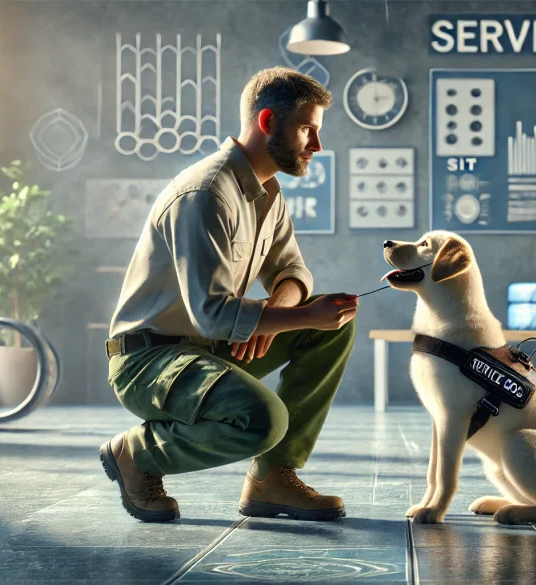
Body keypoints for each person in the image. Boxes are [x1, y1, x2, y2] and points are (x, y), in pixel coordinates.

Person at [100, 66, 359, 523]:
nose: (317, 146)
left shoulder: (267, 194)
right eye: (307, 130)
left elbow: (293, 270)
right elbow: (213, 314)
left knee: (332, 328)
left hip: (212, 348)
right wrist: (285, 318)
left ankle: (273, 479)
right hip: (149, 361)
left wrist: (278, 311)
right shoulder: (205, 194)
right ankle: (136, 453)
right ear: (267, 123)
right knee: (263, 420)